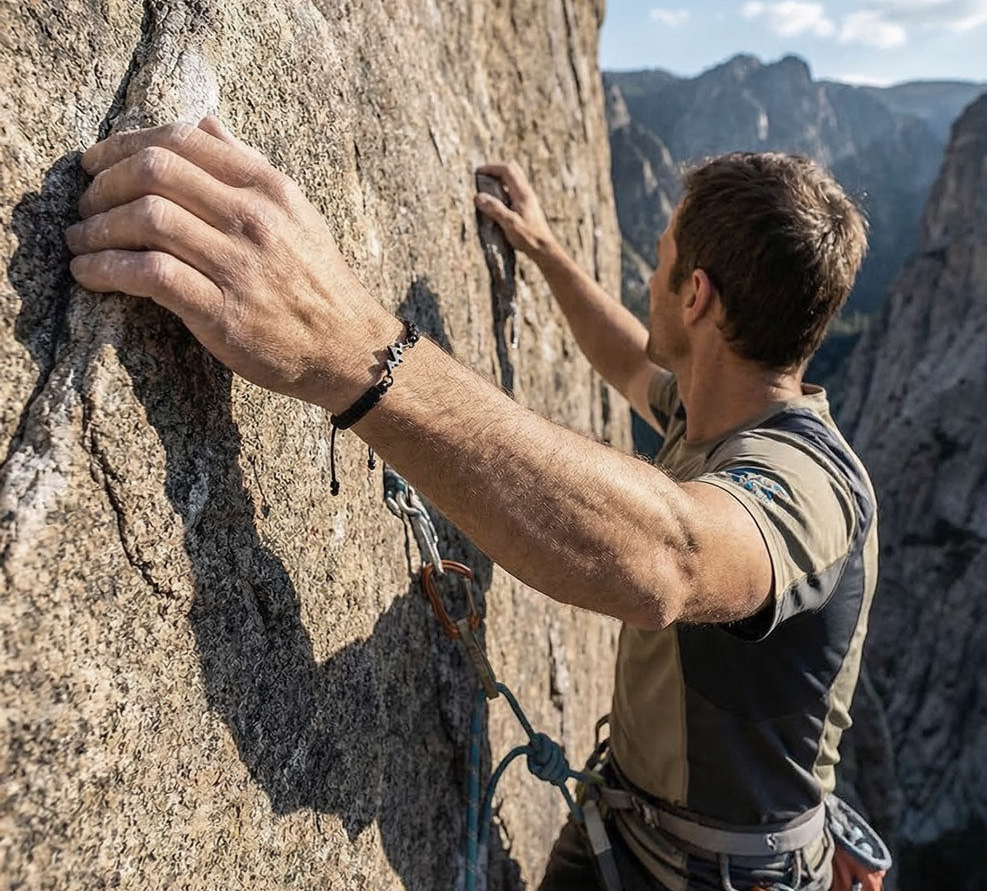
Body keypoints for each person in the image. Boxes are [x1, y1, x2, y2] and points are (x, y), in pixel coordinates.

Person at [67, 119, 879, 891]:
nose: (646, 277)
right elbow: (633, 361)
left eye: (659, 259)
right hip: (636, 829)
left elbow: (673, 558)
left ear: (695, 297)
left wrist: (349, 347)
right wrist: (546, 251)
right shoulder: (716, 405)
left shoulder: (814, 485)